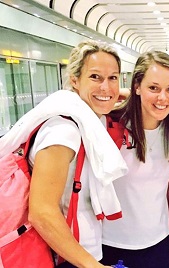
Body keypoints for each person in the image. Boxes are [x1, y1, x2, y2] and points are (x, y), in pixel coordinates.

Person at [16, 40, 126, 267]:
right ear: (74, 80)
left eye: (113, 78)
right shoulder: (63, 131)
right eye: (95, 77)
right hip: (64, 255)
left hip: (80, 249)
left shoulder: (89, 120)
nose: (106, 87)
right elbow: (42, 211)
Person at [100, 51, 169, 268]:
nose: (163, 98)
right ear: (137, 86)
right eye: (154, 88)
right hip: (111, 245)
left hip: (158, 245)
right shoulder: (107, 128)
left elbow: (168, 187)